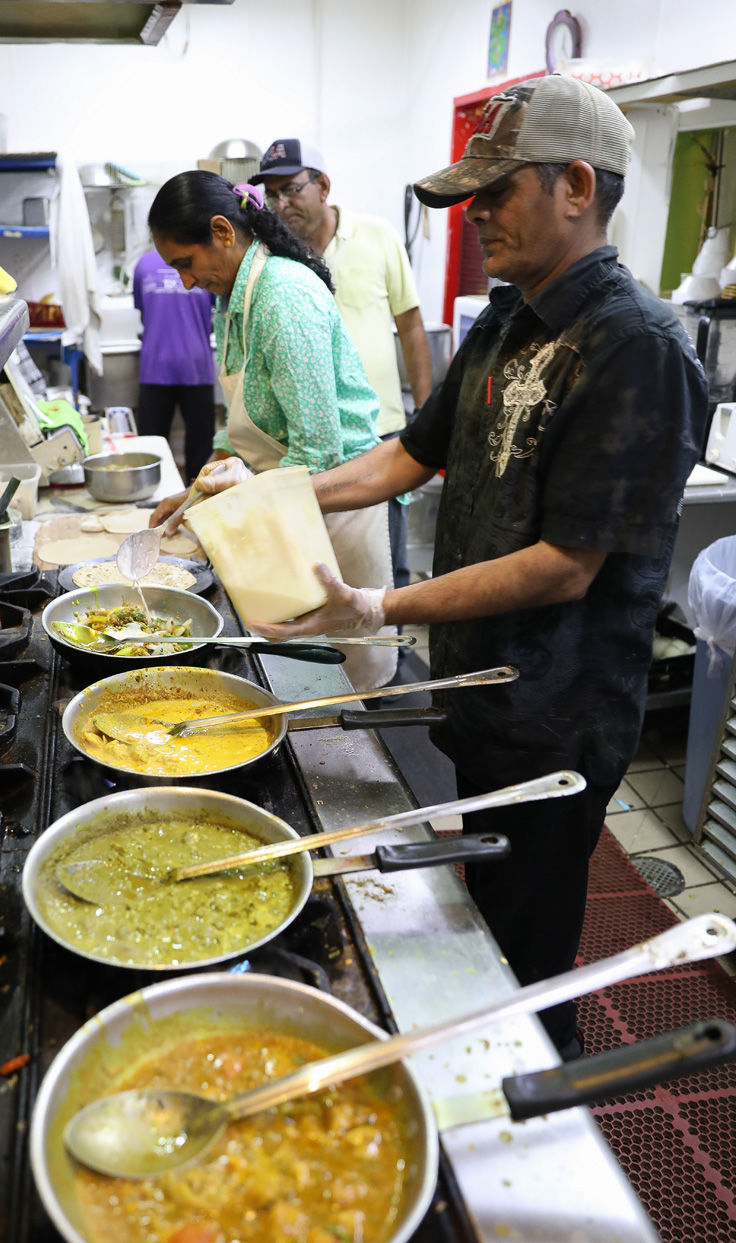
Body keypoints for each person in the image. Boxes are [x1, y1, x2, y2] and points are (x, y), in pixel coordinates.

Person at [201, 76, 709, 1059]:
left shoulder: (635, 348)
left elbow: (565, 565)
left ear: (573, 184)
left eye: (494, 192)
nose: (474, 217)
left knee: (526, 948)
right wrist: (279, 496)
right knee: (483, 916)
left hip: (556, 712)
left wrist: (375, 602)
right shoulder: (507, 318)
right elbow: (408, 454)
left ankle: (535, 1104)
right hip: (477, 689)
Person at [146, 169, 397, 691]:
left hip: (331, 511)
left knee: (345, 673)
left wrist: (235, 506)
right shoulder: (232, 302)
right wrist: (195, 489)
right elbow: (239, 427)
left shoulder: (282, 297)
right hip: (284, 502)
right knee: (298, 668)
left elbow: (318, 452)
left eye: (186, 265)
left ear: (222, 231)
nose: (186, 282)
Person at [249, 138, 433, 593]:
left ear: (323, 185)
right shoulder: (275, 256)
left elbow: (410, 325)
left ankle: (392, 656)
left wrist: (429, 415)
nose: (281, 203)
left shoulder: (377, 235)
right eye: (272, 195)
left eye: (291, 189)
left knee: (386, 565)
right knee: (323, 570)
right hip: (308, 437)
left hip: (376, 432)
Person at [132, 247, 216, 484]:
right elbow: (214, 316)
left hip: (183, 369)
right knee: (155, 450)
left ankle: (190, 499)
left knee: (162, 451)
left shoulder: (143, 264)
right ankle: (194, 500)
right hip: (172, 368)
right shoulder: (202, 260)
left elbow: (143, 315)